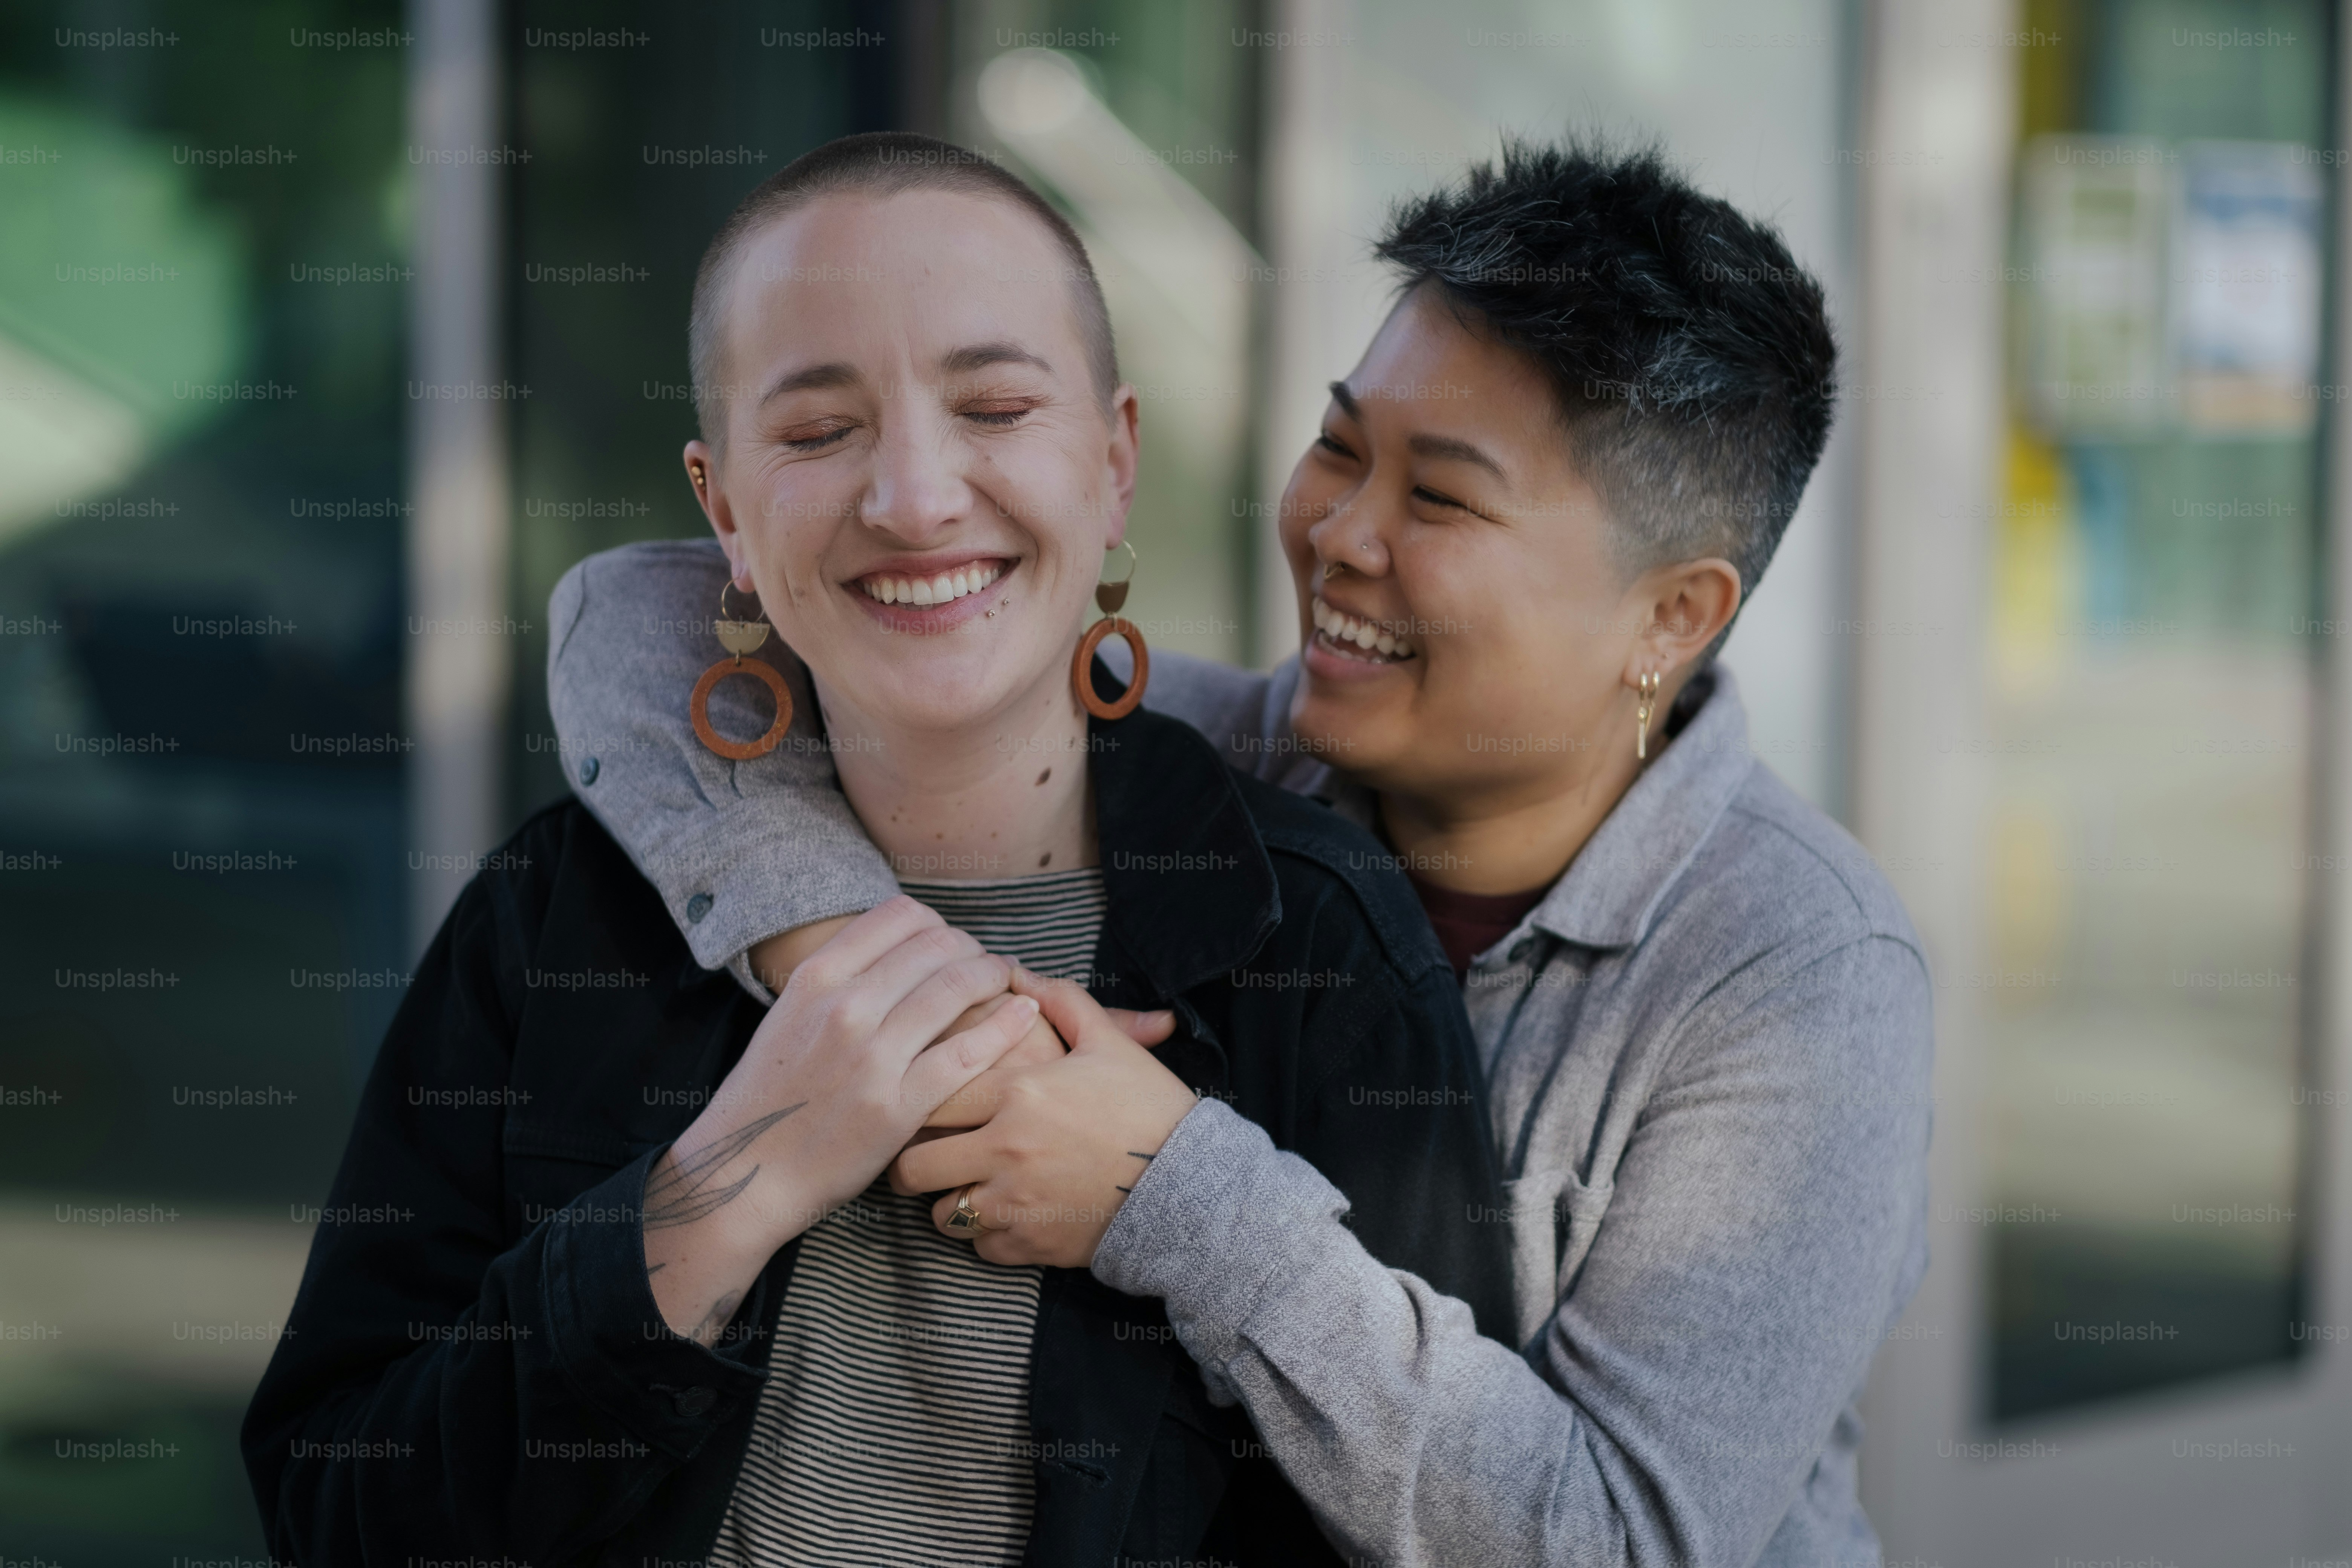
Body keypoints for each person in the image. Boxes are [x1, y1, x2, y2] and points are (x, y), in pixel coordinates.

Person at [553, 138, 1936, 1567]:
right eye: (1343, 447)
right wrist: (850, 965)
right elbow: (632, 619)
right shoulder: (1188, 762)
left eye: (1442, 500)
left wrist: (1171, 1192)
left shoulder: (1803, 979)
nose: (1340, 533)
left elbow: (1617, 1540)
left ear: (1670, 618)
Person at [242, 133, 1513, 1567]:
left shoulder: (1319, 952)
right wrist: (721, 1189)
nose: (914, 499)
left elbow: (1446, 1524)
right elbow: (339, 1515)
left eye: (994, 405)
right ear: (723, 508)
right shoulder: (558, 914)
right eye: (816, 431)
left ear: (1113, 464)